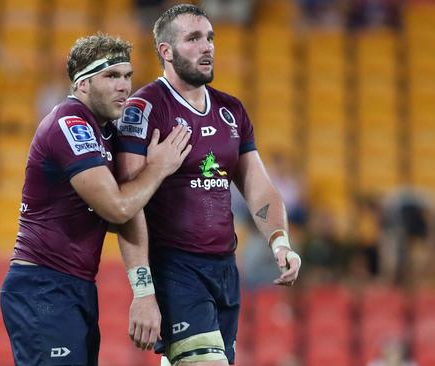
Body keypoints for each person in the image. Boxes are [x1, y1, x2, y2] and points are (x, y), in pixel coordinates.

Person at [115, 5, 302, 365]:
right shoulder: (145, 108)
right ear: (166, 51)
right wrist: (142, 290)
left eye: (210, 38)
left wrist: (280, 242)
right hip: (175, 267)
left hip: (225, 270)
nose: (207, 47)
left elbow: (258, 188)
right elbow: (127, 205)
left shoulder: (231, 110)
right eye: (193, 38)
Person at [0, 33, 192, 366]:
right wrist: (158, 168)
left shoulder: (107, 133)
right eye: (111, 76)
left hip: (76, 287)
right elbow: (117, 207)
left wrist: (145, 290)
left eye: (128, 76)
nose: (124, 86)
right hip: (44, 286)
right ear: (83, 84)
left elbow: (131, 209)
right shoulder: (69, 123)